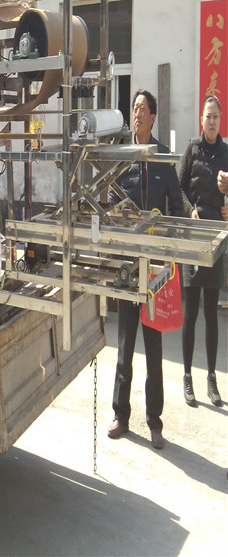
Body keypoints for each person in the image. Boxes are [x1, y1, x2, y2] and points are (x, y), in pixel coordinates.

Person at [107, 89, 184, 450]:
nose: (137, 113)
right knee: (124, 345)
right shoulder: (122, 157)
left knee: (154, 349)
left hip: (155, 269)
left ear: (153, 117)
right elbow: (110, 204)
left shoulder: (163, 158)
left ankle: (155, 421)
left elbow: (177, 208)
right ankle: (120, 415)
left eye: (143, 109)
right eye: (134, 108)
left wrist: (171, 251)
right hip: (127, 265)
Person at [178, 95, 228, 408]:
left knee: (212, 312)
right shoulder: (192, 149)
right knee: (191, 311)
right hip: (193, 238)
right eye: (207, 116)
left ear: (221, 120)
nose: (211, 121)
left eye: (216, 117)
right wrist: (188, 210)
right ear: (201, 120)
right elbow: (179, 187)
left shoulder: (226, 153)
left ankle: (211, 377)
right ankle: (187, 376)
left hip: (216, 240)